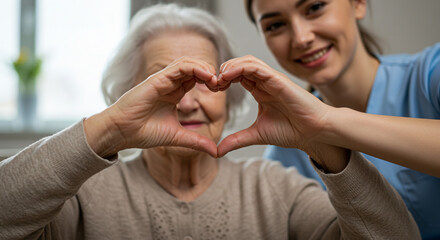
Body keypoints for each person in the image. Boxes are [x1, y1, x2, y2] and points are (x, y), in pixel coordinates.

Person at [0, 3, 420, 240]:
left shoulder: (278, 189)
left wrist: (325, 142)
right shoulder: (81, 198)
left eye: (201, 80)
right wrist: (108, 128)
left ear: (232, 91)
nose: (186, 104)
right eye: (163, 83)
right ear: (130, 97)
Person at [235, 0, 440, 238]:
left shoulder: (430, 75)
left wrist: (327, 122)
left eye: (315, 7)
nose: (301, 38)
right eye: (275, 25)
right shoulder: (285, 156)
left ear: (358, 4)